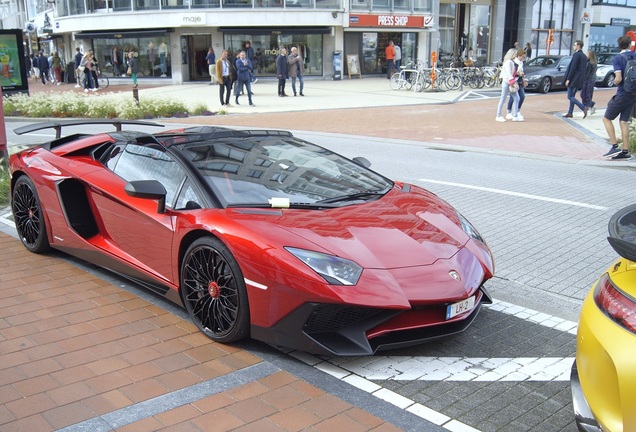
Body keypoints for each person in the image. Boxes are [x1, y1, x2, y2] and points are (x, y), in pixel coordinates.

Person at [602, 35, 636, 160]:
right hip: (633, 94)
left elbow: (618, 78)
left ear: (619, 45)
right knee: (624, 121)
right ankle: (625, 151)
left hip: (622, 93)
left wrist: (615, 82)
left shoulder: (617, 58)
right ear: (629, 45)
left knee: (606, 118)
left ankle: (614, 146)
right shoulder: (635, 55)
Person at [495, 48, 522, 122]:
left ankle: (514, 115)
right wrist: (513, 83)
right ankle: (499, 115)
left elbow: (511, 74)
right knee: (504, 99)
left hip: (510, 82)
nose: (516, 55)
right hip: (507, 82)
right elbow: (509, 74)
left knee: (516, 98)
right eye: (515, 54)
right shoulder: (509, 62)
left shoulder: (510, 62)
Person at [563, 40, 588, 118]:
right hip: (579, 79)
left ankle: (583, 107)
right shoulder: (584, 56)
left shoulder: (576, 55)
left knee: (570, 96)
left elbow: (573, 68)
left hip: (574, 79)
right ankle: (570, 112)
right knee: (572, 96)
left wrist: (568, 79)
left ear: (578, 46)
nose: (573, 46)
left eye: (575, 45)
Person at [506, 49, 527, 119]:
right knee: (513, 97)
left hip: (520, 82)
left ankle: (517, 111)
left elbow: (523, 71)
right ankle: (509, 112)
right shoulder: (513, 63)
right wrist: (519, 74)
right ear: (519, 55)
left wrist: (524, 78)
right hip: (514, 81)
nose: (523, 58)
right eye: (522, 57)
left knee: (522, 96)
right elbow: (512, 73)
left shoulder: (522, 63)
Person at [581, 50, 597, 116]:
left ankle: (589, 106)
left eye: (587, 54)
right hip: (592, 79)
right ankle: (588, 107)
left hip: (588, 80)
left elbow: (586, 74)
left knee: (584, 94)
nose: (586, 55)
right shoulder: (594, 63)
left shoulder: (589, 63)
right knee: (588, 94)